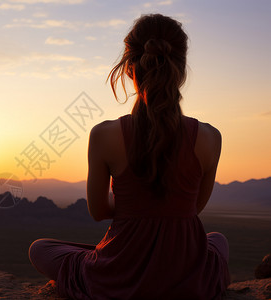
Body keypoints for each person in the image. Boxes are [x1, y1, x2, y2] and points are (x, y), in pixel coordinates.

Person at [28, 14, 230, 299]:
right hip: (187, 276)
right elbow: (192, 209)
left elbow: (98, 211)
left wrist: (134, 211)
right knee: (218, 241)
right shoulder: (211, 137)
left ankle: (108, 260)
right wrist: (159, 212)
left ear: (129, 68)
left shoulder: (105, 135)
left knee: (40, 248)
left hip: (120, 273)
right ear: (181, 70)